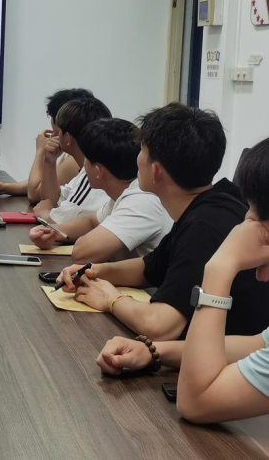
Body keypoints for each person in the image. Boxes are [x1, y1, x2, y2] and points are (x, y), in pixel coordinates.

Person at [57, 104, 269, 341]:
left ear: (156, 171)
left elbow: (160, 325)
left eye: (142, 150)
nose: (137, 158)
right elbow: (149, 268)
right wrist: (94, 271)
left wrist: (111, 299)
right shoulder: (211, 202)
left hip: (230, 359)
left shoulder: (205, 225)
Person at [95, 138, 269, 424]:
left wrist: (220, 268)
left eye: (257, 211)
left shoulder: (206, 220)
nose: (247, 220)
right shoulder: (201, 208)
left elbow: (196, 402)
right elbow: (255, 346)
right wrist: (153, 351)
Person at [29, 118, 171, 263]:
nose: (83, 166)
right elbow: (91, 223)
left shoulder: (140, 201)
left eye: (86, 159)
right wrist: (52, 232)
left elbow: (82, 253)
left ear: (98, 171)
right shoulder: (124, 192)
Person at [0, 88, 93, 202]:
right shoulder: (72, 153)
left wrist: (40, 151)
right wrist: (5, 188)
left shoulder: (75, 160)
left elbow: (35, 193)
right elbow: (45, 183)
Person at [32, 97, 112, 223]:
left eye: (59, 131)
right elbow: (53, 200)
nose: (55, 135)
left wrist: (44, 214)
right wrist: (49, 161)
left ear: (67, 138)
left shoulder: (92, 174)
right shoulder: (87, 169)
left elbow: (61, 221)